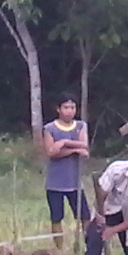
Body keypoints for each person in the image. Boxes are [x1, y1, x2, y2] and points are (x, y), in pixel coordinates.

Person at [42, 94, 90, 246]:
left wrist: (63, 143)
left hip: (75, 182)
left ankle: (90, 245)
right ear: (58, 109)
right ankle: (59, 249)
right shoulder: (49, 128)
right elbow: (51, 152)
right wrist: (73, 150)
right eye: (66, 107)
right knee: (56, 217)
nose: (69, 111)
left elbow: (85, 146)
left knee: (85, 216)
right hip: (55, 182)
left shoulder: (81, 126)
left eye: (72, 107)